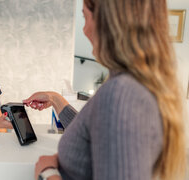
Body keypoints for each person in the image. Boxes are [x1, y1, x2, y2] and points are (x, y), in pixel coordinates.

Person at [23, 0, 187, 179]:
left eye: (85, 17)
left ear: (108, 21)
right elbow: (96, 132)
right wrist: (54, 98)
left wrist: (47, 173)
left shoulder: (122, 94)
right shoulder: (130, 86)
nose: (84, 30)